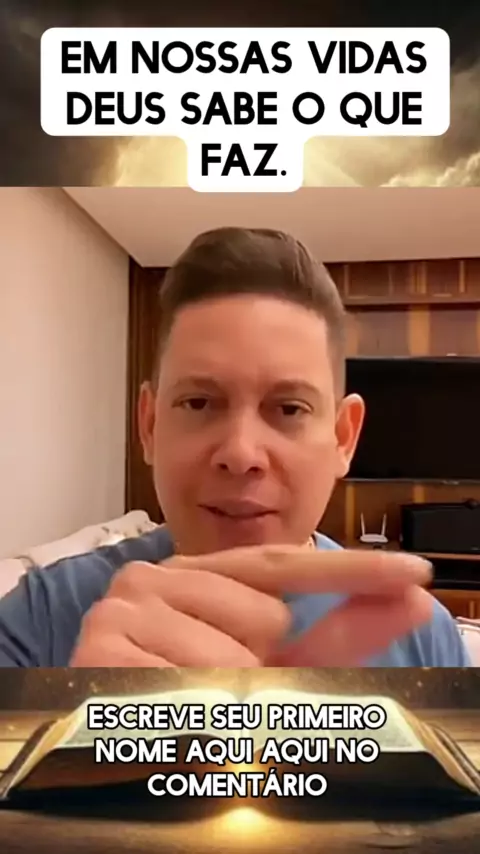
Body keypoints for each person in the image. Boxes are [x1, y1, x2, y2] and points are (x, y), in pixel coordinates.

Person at [0, 228, 470, 667]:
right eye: (199, 402)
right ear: (150, 425)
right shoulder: (37, 618)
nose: (241, 454)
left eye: (289, 409)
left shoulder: (424, 635)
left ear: (343, 438)